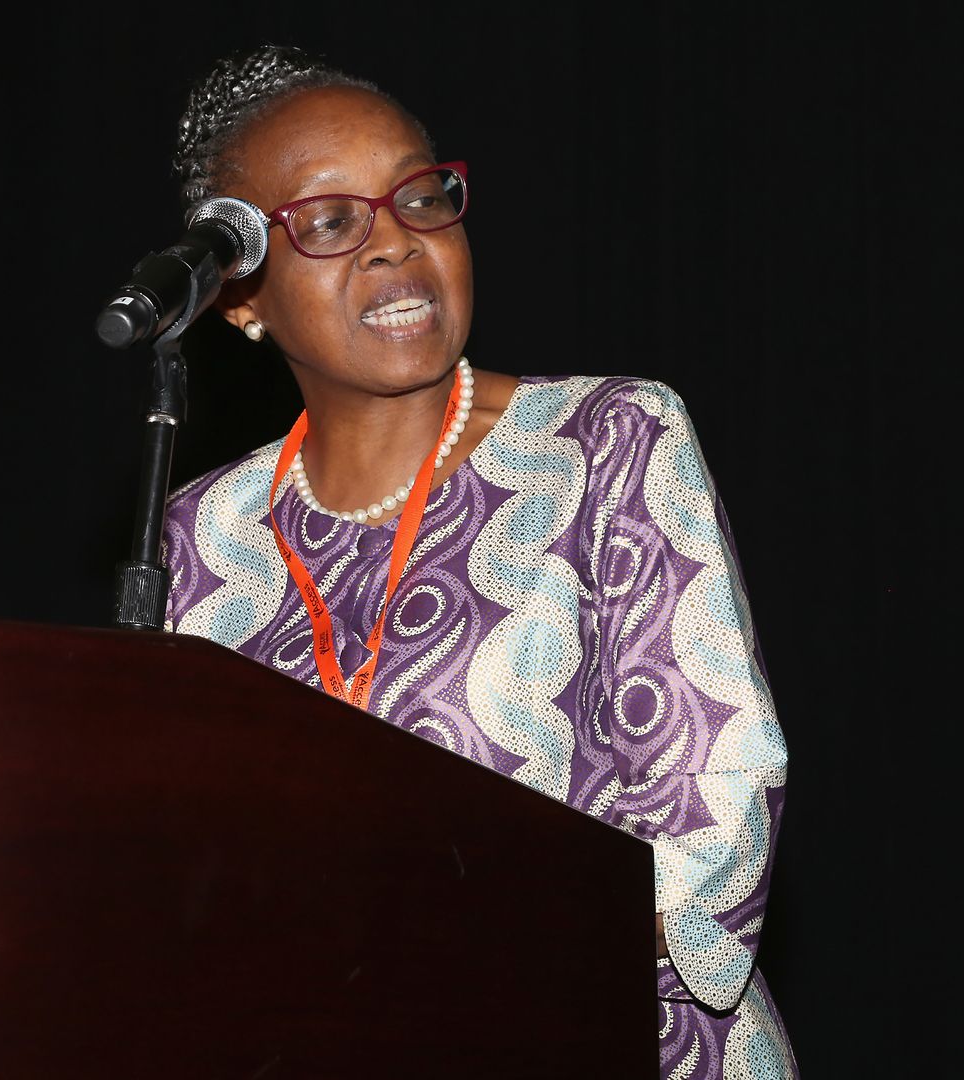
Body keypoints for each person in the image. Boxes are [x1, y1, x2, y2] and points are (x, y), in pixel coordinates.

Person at [159, 44, 795, 1078]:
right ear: (241, 299)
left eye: (420, 199)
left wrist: (456, 975)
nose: (393, 247)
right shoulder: (198, 538)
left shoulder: (605, 441)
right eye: (328, 222)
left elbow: (716, 807)